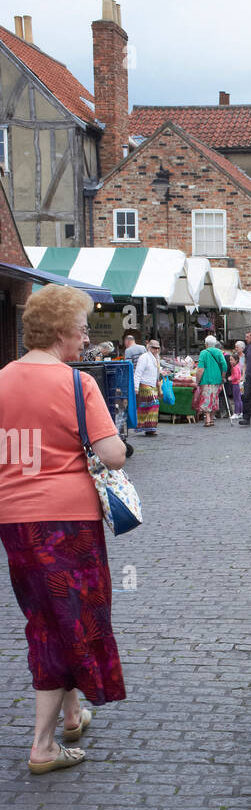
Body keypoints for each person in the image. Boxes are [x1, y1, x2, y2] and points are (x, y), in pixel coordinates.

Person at [0, 284, 127, 774]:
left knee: (50, 613)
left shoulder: (5, 378)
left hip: (13, 518)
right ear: (59, 331)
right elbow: (112, 453)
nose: (84, 336)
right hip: (67, 520)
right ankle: (42, 745)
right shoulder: (77, 384)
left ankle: (72, 714)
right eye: (80, 328)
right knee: (64, 622)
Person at [194, 334, 227, 427]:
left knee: (206, 399)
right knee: (214, 399)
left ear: (206, 344)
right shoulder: (219, 352)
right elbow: (224, 365)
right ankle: (212, 419)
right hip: (217, 380)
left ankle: (207, 419)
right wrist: (222, 376)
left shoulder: (203, 353)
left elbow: (200, 369)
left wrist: (197, 381)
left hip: (206, 380)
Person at [134, 337, 162, 436]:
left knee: (149, 407)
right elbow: (138, 372)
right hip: (145, 384)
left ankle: (149, 428)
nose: (157, 350)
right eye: (154, 348)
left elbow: (156, 372)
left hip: (153, 385)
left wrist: (158, 381)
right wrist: (136, 387)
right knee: (154, 404)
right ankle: (150, 427)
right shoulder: (144, 357)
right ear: (149, 347)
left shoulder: (157, 358)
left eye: (158, 348)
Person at [228, 351, 243, 417]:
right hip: (238, 384)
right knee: (239, 399)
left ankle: (236, 413)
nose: (230, 361)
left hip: (235, 384)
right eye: (230, 360)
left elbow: (236, 376)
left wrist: (230, 378)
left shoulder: (234, 368)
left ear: (236, 360)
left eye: (231, 360)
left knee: (236, 399)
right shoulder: (238, 366)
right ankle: (241, 412)